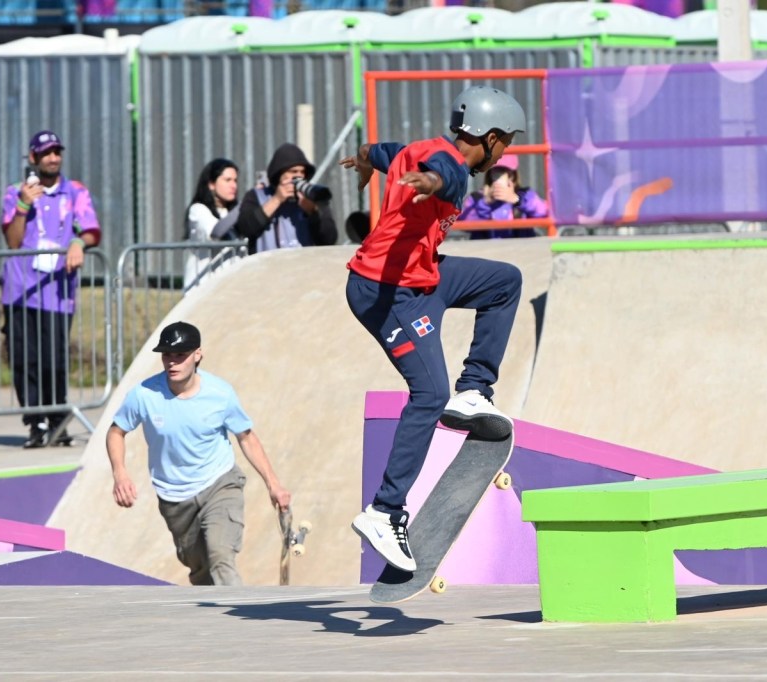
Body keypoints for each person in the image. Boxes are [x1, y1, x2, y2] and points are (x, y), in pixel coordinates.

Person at [339, 85, 526, 572]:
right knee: (427, 395)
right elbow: (443, 175)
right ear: (486, 138)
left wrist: (363, 163)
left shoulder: (415, 150)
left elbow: (376, 151)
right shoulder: (451, 169)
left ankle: (475, 389)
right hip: (387, 290)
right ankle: (385, 511)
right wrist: (434, 184)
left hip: (424, 277)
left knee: (503, 283)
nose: (505, 152)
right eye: (504, 142)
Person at [105, 321, 291, 586]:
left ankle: (239, 620)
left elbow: (246, 437)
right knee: (201, 572)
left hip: (219, 484)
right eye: (167, 355)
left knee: (221, 556)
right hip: (174, 497)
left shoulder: (220, 394)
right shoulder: (144, 394)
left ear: (197, 355)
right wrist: (120, 473)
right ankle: (212, 621)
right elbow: (116, 432)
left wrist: (274, 485)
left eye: (180, 355)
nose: (172, 362)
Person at [0, 130, 102, 449]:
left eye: (57, 152)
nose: (53, 158)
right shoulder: (15, 192)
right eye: (46, 153)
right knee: (24, 360)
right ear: (33, 158)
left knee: (54, 360)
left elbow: (91, 231)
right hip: (21, 290)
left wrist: (76, 241)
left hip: (57, 292)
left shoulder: (75, 192)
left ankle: (57, 421)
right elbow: (13, 241)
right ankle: (35, 423)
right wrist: (21, 206)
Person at [234, 143, 337, 254]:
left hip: (304, 268)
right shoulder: (257, 196)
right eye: (293, 172)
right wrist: (276, 200)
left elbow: (329, 239)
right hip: (266, 268)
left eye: (302, 172)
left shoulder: (312, 197)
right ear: (279, 173)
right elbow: (245, 228)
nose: (299, 176)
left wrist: (313, 213)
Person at [458, 154, 549, 239]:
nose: (499, 177)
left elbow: (544, 212)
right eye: (496, 172)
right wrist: (485, 203)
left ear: (512, 176)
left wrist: (516, 200)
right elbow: (463, 222)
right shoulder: (477, 198)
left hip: (520, 250)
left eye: (504, 172)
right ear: (490, 175)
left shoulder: (525, 195)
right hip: (485, 250)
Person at [183, 158, 242, 290]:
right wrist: (246, 204)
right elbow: (216, 232)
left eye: (235, 180)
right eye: (227, 180)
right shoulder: (198, 210)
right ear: (211, 184)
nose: (234, 186)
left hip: (228, 289)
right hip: (202, 289)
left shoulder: (232, 212)